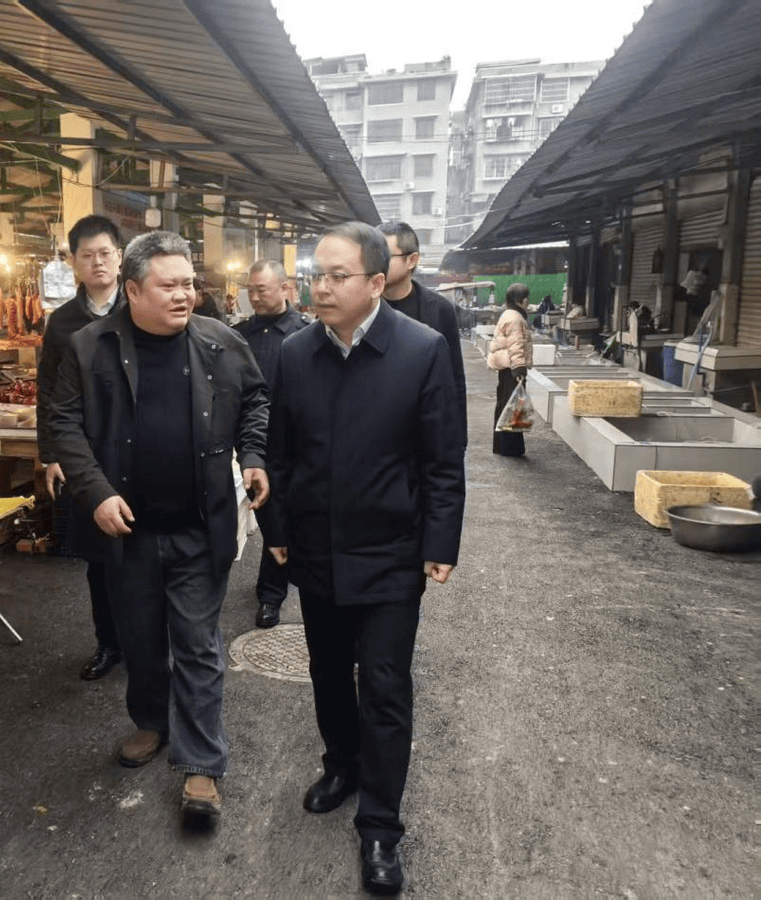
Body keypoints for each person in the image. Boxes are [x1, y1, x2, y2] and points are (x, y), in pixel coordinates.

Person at [261, 222, 465, 896]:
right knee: (326, 670)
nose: (320, 287)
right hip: (316, 546)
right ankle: (341, 765)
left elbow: (443, 459)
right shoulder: (296, 353)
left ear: (377, 282)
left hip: (391, 552)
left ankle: (380, 825)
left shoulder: (422, 350)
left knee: (384, 684)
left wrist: (440, 542)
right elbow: (280, 452)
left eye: (337, 275)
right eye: (315, 274)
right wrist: (277, 528)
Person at [51, 230, 269, 825]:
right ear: (132, 290)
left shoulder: (220, 341)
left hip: (199, 527)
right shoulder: (89, 347)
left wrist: (253, 455)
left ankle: (201, 762)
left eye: (189, 284)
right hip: (127, 531)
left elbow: (257, 400)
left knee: (197, 643)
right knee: (141, 639)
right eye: (169, 286)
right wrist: (95, 491)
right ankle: (151, 721)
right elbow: (63, 425)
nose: (184, 296)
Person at [37, 215, 127, 681]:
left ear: (120, 257)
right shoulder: (63, 322)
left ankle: (150, 642)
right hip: (86, 453)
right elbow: (48, 390)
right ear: (74, 262)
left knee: (146, 555)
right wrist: (50, 453)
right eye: (87, 255)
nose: (97, 262)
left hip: (139, 449)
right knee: (99, 559)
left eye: (105, 253)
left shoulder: (141, 306)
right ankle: (108, 643)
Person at [234, 260, 310, 628]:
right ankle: (277, 579)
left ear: (285, 288)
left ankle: (271, 594)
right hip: (252, 443)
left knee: (286, 514)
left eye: (261, 290)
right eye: (250, 290)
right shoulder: (238, 336)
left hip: (293, 442)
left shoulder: (306, 335)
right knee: (267, 512)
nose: (254, 297)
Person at [377, 221, 467, 438]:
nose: (375, 263)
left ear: (412, 260)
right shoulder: (361, 308)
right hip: (376, 430)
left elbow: (455, 377)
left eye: (384, 256)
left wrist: (458, 438)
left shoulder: (440, 310)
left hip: (425, 429)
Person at [488, 283, 534, 458]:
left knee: (505, 406)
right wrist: (519, 368)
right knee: (513, 408)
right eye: (525, 298)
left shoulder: (508, 314)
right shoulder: (515, 319)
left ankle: (502, 446)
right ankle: (510, 448)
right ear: (517, 300)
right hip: (512, 368)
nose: (527, 301)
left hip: (506, 368)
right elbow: (516, 345)